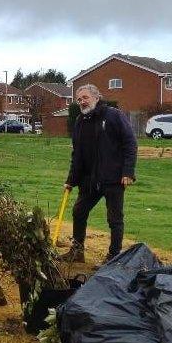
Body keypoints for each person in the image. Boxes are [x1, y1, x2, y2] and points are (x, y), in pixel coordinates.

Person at [62, 84, 137, 264]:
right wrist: (71, 180)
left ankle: (113, 257)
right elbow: (77, 154)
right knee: (79, 211)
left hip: (113, 178)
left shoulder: (113, 115)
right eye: (79, 99)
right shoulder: (80, 121)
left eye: (85, 97)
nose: (82, 102)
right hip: (89, 180)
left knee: (114, 218)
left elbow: (130, 143)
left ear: (97, 97)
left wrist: (128, 172)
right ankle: (77, 251)